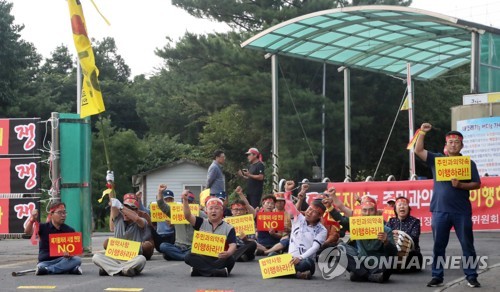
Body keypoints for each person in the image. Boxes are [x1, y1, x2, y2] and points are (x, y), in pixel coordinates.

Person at [414, 123, 481, 288]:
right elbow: (418, 151)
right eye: (450, 142)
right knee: (438, 246)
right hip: (439, 210)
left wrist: (461, 186)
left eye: (456, 142)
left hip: (461, 211)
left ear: (461, 145)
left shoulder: (468, 163)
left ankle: (471, 276)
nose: (453, 144)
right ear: (446, 145)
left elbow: (476, 184)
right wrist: (422, 132)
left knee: (467, 245)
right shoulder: (437, 160)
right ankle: (437, 276)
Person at [339, 195, 397, 283]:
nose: (368, 213)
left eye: (371, 210)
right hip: (361, 260)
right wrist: (329, 206)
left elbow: (394, 253)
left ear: (376, 212)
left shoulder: (386, 230)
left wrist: (386, 242)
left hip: (377, 263)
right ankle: (369, 276)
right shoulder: (356, 226)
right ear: (361, 212)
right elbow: (341, 219)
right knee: (339, 248)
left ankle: (360, 274)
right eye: (365, 210)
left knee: (391, 261)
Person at [92, 193, 148, 276]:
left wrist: (121, 207)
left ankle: (110, 269)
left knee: (142, 259)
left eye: (131, 208)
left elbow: (136, 218)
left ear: (137, 211)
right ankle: (124, 270)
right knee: (96, 257)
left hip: (132, 259)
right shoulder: (118, 219)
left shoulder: (142, 221)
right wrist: (110, 182)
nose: (126, 212)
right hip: (116, 258)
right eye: (126, 207)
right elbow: (113, 202)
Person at [183, 195, 237, 277]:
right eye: (211, 208)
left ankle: (200, 270)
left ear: (222, 211)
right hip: (203, 257)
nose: (213, 211)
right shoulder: (200, 222)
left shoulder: (229, 227)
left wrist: (228, 253)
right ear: (206, 211)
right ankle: (216, 272)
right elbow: (187, 216)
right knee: (188, 257)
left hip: (219, 258)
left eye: (216, 208)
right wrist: (185, 200)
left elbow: (232, 245)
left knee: (231, 259)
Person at [24, 202, 82, 276]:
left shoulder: (70, 230)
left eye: (64, 212)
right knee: (40, 266)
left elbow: (75, 252)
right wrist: (32, 220)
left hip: (62, 260)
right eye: (60, 213)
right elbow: (27, 232)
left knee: (77, 260)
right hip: (45, 261)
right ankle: (70, 269)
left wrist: (70, 254)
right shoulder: (43, 227)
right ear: (51, 214)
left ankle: (48, 270)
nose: (63, 215)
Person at [283, 191, 327, 280]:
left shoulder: (322, 230)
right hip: (290, 259)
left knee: (306, 263)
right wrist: (287, 192)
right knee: (271, 257)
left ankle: (286, 272)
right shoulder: (298, 218)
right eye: (309, 209)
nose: (309, 212)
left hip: (305, 260)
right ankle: (297, 274)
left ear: (319, 216)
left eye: (314, 212)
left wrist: (300, 258)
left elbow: (315, 248)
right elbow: (290, 208)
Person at [156, 184, 203, 261]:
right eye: (185, 201)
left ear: (194, 202)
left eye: (189, 201)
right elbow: (162, 205)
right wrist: (160, 192)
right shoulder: (175, 212)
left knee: (198, 252)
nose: (187, 204)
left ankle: (180, 256)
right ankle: (186, 257)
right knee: (163, 246)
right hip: (178, 246)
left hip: (193, 247)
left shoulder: (200, 213)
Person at [386, 196, 422, 272]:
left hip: (410, 253)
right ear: (395, 209)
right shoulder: (391, 221)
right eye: (399, 205)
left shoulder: (415, 221)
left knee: (416, 257)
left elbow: (414, 237)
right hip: (393, 252)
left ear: (408, 208)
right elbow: (385, 235)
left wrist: (400, 234)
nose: (402, 207)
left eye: (404, 205)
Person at [228, 187, 258, 262]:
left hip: (245, 246)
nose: (238, 212)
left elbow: (252, 239)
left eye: (241, 209)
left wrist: (245, 239)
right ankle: (239, 256)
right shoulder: (226, 221)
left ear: (245, 211)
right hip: (232, 247)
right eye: (236, 210)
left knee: (253, 244)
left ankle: (235, 256)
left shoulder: (249, 220)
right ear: (231, 211)